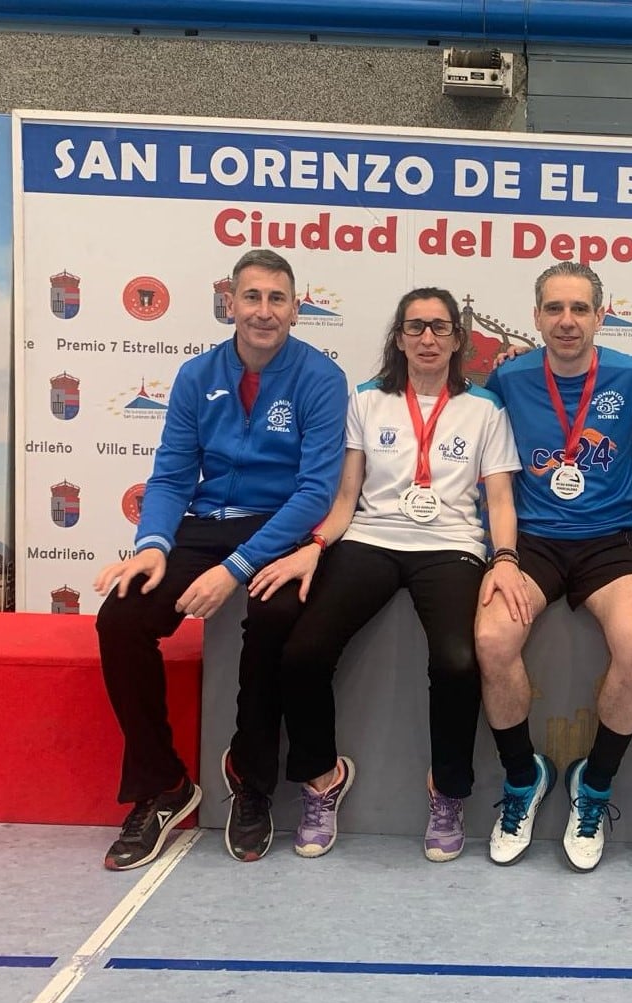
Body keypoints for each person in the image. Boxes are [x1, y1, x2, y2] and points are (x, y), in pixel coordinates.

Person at [248, 287, 524, 862]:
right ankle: (321, 779)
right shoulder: (366, 400)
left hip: (452, 546)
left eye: (440, 328)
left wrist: (504, 559)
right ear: (399, 337)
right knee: (303, 652)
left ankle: (446, 792)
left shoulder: (485, 409)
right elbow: (347, 494)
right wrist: (318, 544)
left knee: (456, 660)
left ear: (457, 339)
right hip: (372, 539)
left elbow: (499, 499)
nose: (428, 338)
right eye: (416, 327)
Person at [94, 249, 348, 871]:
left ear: (295, 308)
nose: (264, 311)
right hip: (202, 525)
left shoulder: (320, 377)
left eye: (278, 299)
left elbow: (316, 491)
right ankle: (164, 786)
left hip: (280, 530)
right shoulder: (193, 375)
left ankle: (251, 780)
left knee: (275, 622)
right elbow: (173, 476)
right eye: (253, 297)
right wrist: (153, 545)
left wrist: (234, 569)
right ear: (229, 303)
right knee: (119, 620)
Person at [475, 261, 632, 872]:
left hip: (608, 541)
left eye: (580, 309)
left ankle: (594, 785)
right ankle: (522, 779)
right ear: (536, 316)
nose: (567, 322)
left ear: (600, 314)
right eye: (554, 309)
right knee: (490, 638)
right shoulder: (506, 379)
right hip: (531, 540)